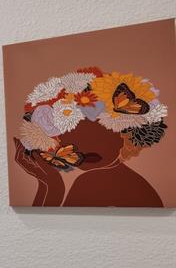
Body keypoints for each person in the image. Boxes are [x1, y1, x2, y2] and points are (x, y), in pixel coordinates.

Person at [14, 68, 167, 206]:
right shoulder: (126, 179)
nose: (85, 146)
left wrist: (53, 185)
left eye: (99, 135)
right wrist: (45, 182)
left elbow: (51, 230)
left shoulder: (94, 180)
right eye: (71, 134)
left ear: (125, 132)